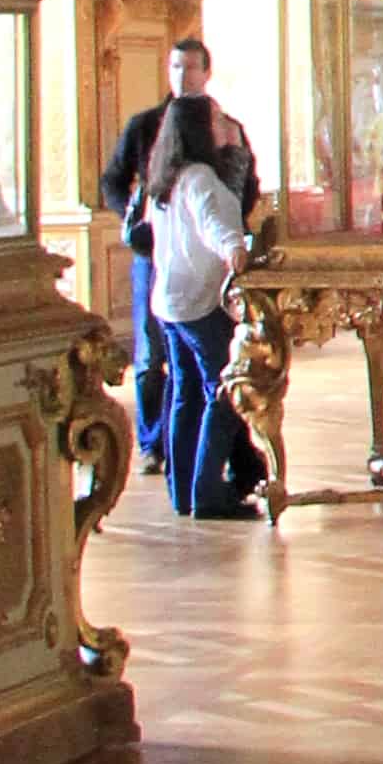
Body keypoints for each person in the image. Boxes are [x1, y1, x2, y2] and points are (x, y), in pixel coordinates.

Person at [98, 32, 256, 469]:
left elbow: (243, 189)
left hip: (211, 255)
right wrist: (136, 224)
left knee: (199, 368)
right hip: (157, 254)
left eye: (189, 67)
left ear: (206, 72)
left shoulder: (223, 126)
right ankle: (154, 445)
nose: (181, 75)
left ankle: (218, 457)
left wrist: (230, 232)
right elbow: (113, 180)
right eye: (174, 67)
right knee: (154, 356)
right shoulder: (146, 124)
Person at [143, 89, 267, 519]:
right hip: (197, 300)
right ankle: (208, 492)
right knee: (227, 389)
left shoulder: (166, 177)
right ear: (198, 129)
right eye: (214, 118)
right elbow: (212, 222)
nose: (222, 123)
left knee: (185, 395)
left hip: (169, 302)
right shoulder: (198, 177)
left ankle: (185, 492)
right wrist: (235, 248)